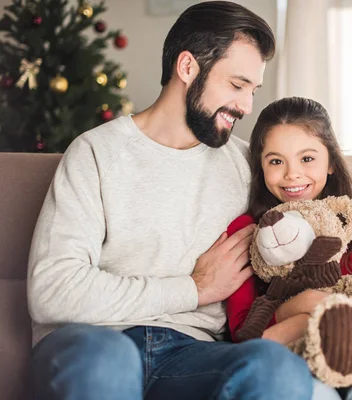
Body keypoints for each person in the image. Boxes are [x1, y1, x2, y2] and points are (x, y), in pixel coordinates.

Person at [27, 2, 315, 400]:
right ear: (187, 67)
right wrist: (194, 289)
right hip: (92, 345)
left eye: (253, 90)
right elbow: (52, 291)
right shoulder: (95, 153)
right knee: (106, 364)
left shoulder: (247, 164)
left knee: (276, 369)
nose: (247, 107)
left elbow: (331, 221)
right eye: (236, 85)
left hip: (193, 354)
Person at [226, 96, 352, 400]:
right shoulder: (250, 232)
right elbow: (242, 333)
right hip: (289, 359)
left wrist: (316, 313)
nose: (292, 174)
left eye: (307, 158)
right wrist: (308, 308)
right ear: (260, 167)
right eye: (276, 161)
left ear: (330, 163)